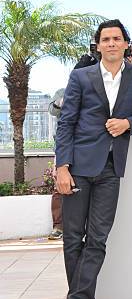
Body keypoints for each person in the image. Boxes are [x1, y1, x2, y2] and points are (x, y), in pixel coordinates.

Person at [55, 19, 132, 299]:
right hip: (79, 167)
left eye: (116, 38)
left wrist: (127, 124)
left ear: (126, 44)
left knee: (97, 237)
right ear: (97, 45)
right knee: (73, 237)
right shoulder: (81, 77)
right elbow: (66, 123)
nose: (111, 43)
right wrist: (62, 167)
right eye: (105, 39)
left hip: (112, 168)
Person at [48, 88, 65, 241]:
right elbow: (52, 109)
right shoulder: (63, 91)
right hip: (62, 146)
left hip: (85, 147)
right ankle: (58, 226)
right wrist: (61, 102)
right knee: (58, 186)